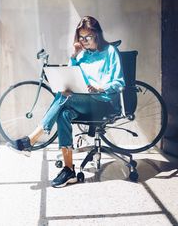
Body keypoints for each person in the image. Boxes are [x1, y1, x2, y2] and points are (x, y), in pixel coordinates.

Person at [8, 16, 125, 188]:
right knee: (63, 113)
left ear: (97, 35)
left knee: (65, 96)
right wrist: (74, 56)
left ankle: (31, 140)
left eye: (88, 37)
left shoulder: (110, 52)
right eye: (81, 38)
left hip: (103, 102)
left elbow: (119, 82)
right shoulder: (82, 54)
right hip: (83, 102)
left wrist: (100, 88)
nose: (84, 41)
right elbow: (71, 76)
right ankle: (69, 169)